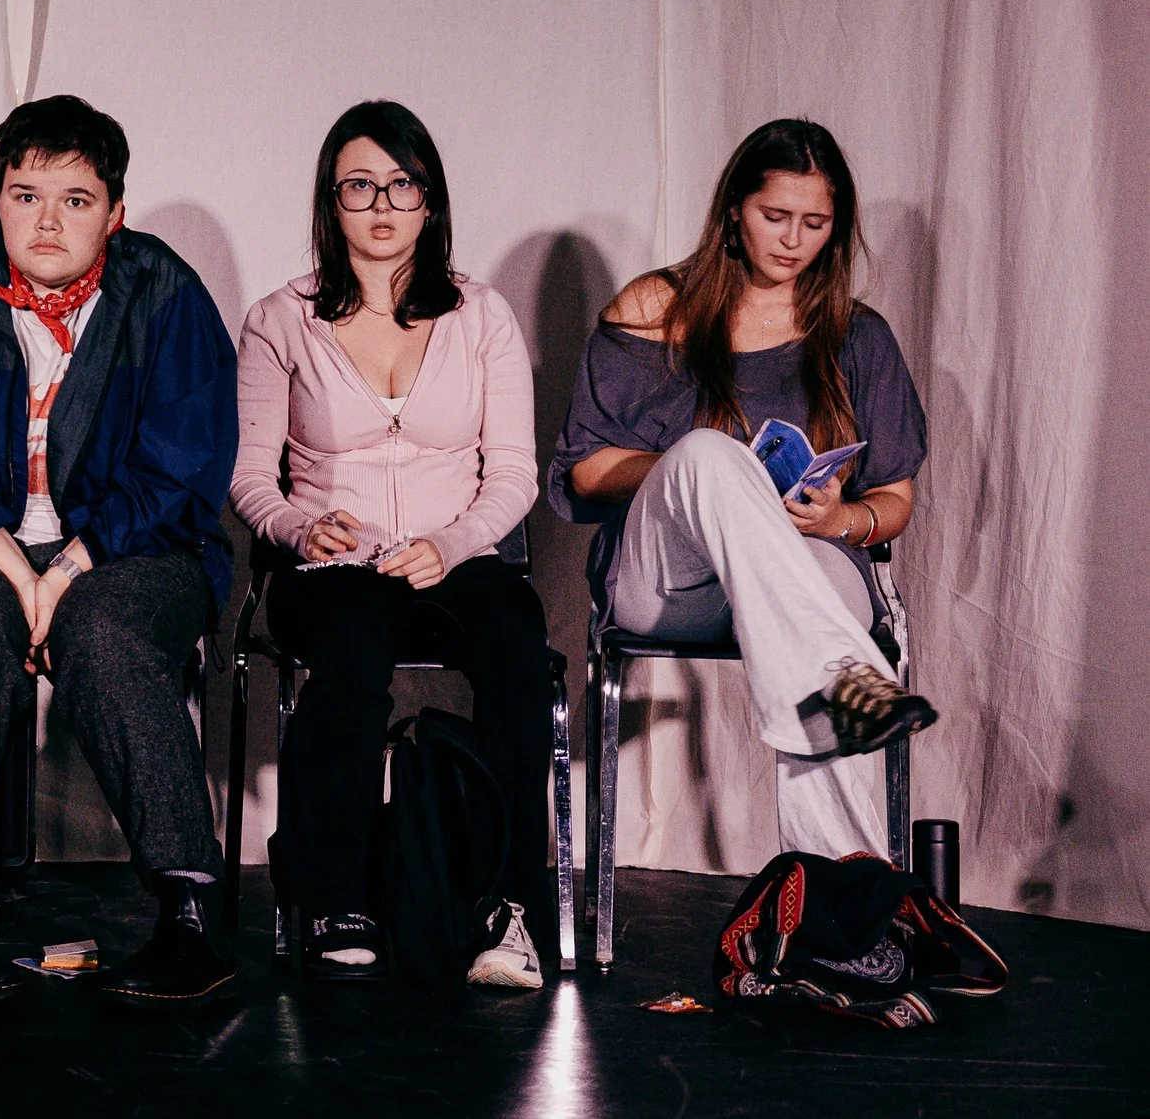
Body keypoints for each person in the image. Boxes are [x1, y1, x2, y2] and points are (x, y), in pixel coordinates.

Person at [0, 94, 239, 1010]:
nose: (47, 221)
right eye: (26, 196)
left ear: (115, 212)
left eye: (75, 199)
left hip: (129, 546)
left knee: (104, 629)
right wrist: (4, 554)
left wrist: (66, 567)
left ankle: (192, 913)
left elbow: (183, 467)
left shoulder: (165, 293)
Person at [548, 118, 936, 863]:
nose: (793, 240)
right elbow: (585, 469)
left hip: (803, 564)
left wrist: (840, 518)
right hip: (673, 583)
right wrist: (715, 476)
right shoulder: (656, 307)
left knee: (818, 609)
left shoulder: (859, 336)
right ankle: (844, 678)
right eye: (775, 216)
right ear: (734, 209)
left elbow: (895, 500)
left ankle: (837, 890)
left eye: (815, 223)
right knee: (709, 453)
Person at [232, 100, 548, 988]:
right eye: (359, 185)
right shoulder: (280, 319)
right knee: (354, 639)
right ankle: (337, 897)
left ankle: (509, 910)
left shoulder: (482, 316)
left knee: (516, 640)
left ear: (430, 199)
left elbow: (514, 473)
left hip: (457, 557)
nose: (381, 204)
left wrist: (453, 541)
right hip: (331, 565)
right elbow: (250, 478)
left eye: (401, 184)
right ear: (330, 201)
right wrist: (300, 526)